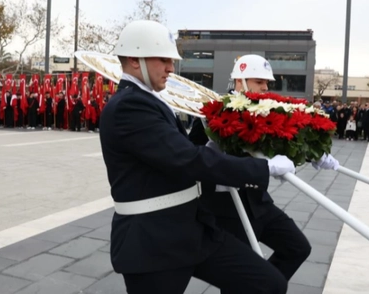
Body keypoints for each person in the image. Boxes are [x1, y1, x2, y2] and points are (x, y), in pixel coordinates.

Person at [100, 20, 295, 294]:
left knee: (269, 284)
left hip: (192, 231)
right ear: (134, 59)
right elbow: (188, 159)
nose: (171, 67)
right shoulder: (128, 106)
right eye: (164, 59)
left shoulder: (148, 100)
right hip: (153, 242)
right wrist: (263, 168)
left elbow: (181, 153)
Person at [189, 54, 341, 283]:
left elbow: (280, 142)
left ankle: (265, 288)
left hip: (258, 202)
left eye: (267, 83)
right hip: (227, 208)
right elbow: (194, 156)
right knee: (239, 279)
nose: (265, 88)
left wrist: (311, 154)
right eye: (259, 82)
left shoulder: (265, 110)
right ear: (240, 81)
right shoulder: (212, 114)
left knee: (297, 248)